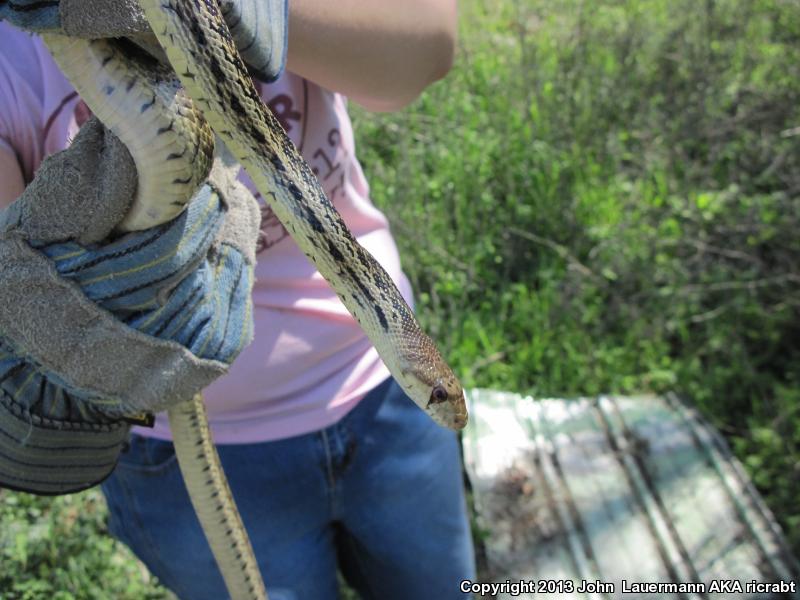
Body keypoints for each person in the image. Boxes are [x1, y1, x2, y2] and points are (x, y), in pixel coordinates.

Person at [0, 2, 476, 599]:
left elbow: (429, 43)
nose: (444, 404)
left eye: (440, 394)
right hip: (175, 452)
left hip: (372, 396)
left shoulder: (390, 338)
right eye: (439, 395)